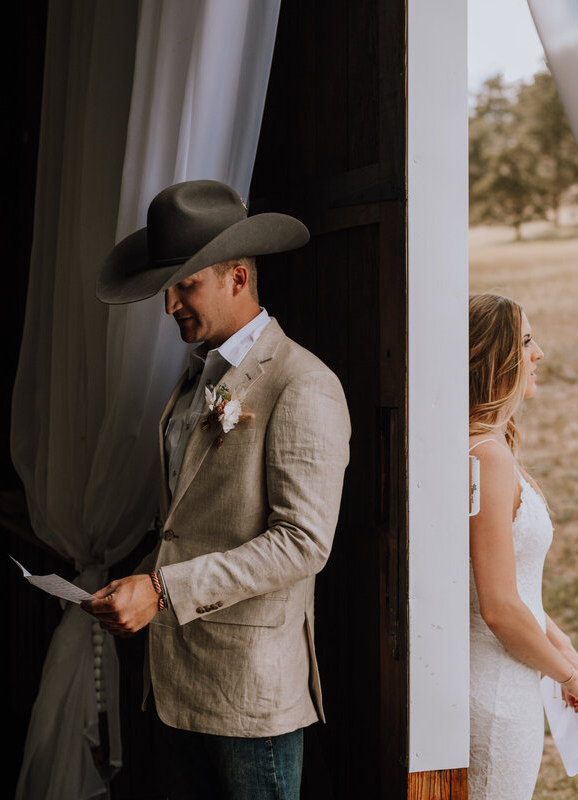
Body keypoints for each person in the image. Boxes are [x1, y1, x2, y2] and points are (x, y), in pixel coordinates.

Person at [82, 179, 352, 800]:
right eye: (166, 287)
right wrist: (136, 583)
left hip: (251, 695)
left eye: (185, 284)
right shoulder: (198, 379)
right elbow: (187, 522)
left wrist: (159, 589)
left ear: (237, 277)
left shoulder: (302, 384)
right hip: (175, 681)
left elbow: (302, 543)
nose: (169, 303)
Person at [467, 293, 578, 799]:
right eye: (526, 341)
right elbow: (500, 606)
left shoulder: (487, 448)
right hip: (497, 688)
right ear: (491, 357)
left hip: (512, 676)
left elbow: (515, 583)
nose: (539, 353)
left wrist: (565, 647)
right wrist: (569, 676)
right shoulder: (485, 457)